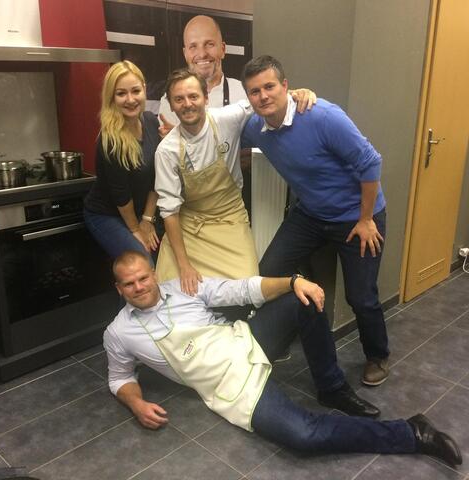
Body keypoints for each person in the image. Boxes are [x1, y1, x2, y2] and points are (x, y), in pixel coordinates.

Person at [103, 251, 462, 467]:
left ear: (153, 273)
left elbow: (241, 289)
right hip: (227, 383)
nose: (139, 287)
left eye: (143, 278)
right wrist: (137, 404)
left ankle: (331, 387)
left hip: (243, 340)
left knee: (302, 299)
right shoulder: (119, 332)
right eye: (129, 284)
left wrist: (293, 282)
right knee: (303, 436)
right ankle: (412, 432)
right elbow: (120, 378)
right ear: (119, 288)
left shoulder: (185, 286)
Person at [241, 55, 390, 386]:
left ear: (285, 86)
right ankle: (283, 334)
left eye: (269, 87)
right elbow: (221, 133)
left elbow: (371, 162)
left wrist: (366, 219)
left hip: (357, 217)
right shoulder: (254, 127)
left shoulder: (323, 116)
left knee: (361, 296)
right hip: (311, 213)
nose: (263, 96)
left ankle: (377, 355)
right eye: (254, 91)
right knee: (269, 271)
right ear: (248, 97)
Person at [154, 69, 314, 295]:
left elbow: (264, 101)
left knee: (247, 287)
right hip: (190, 225)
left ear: (206, 98)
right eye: (179, 99)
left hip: (230, 217)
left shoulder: (227, 118)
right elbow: (169, 211)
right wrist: (184, 265)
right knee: (170, 291)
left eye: (193, 96)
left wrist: (297, 94)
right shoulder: (166, 151)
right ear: (171, 105)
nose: (187, 104)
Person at [84, 61, 160, 262]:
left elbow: (158, 177)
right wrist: (136, 229)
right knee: (142, 262)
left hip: (141, 211)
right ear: (111, 97)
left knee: (165, 255)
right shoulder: (111, 140)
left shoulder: (151, 121)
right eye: (121, 93)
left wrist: (147, 220)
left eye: (135, 91)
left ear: (144, 89)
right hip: (107, 214)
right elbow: (121, 196)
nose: (130, 99)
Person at [158, 15, 247, 128]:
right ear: (185, 54)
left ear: (223, 49)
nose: (202, 54)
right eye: (193, 46)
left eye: (209, 44)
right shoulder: (172, 99)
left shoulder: (243, 93)